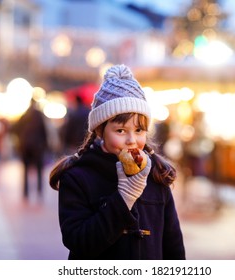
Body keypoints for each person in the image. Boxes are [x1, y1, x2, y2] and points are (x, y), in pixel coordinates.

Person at [49, 64, 185, 260]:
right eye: (120, 130)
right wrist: (123, 198)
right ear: (99, 130)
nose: (131, 140)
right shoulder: (77, 177)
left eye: (139, 130)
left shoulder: (157, 174)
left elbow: (173, 246)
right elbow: (78, 241)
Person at [13, 99, 48, 198]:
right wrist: (45, 144)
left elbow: (15, 128)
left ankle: (25, 191)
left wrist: (21, 138)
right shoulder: (39, 115)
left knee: (25, 169)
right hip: (37, 145)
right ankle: (39, 189)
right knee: (39, 168)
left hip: (25, 145)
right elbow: (44, 130)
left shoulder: (25, 114)